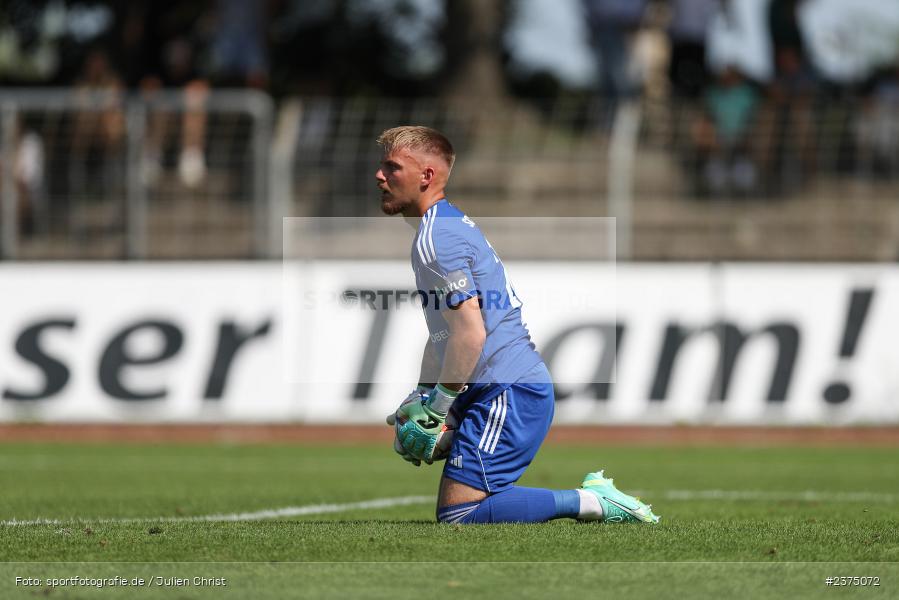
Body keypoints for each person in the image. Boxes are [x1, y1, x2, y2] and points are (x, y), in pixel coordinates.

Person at [377, 126, 659, 525]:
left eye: (392, 167)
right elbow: (445, 330)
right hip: (494, 386)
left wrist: (438, 407)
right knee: (451, 493)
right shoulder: (442, 228)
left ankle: (593, 501)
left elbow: (470, 333)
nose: (380, 176)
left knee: (460, 515)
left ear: (426, 176)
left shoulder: (437, 238)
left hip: (506, 390)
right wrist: (422, 395)